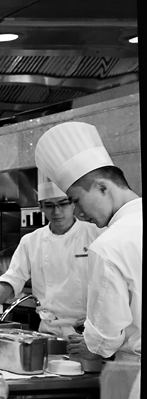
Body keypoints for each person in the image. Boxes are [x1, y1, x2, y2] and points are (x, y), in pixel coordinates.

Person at [36, 121, 141, 363]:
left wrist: (92, 342)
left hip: (131, 373)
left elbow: (105, 338)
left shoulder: (108, 245)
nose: (80, 213)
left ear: (102, 187)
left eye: (76, 200)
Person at [0, 172, 101, 336]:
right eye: (49, 205)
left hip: (86, 331)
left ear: (73, 204)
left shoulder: (95, 234)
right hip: (48, 330)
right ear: (41, 207)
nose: (57, 212)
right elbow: (12, 278)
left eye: (62, 204)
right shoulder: (31, 241)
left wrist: (98, 317)